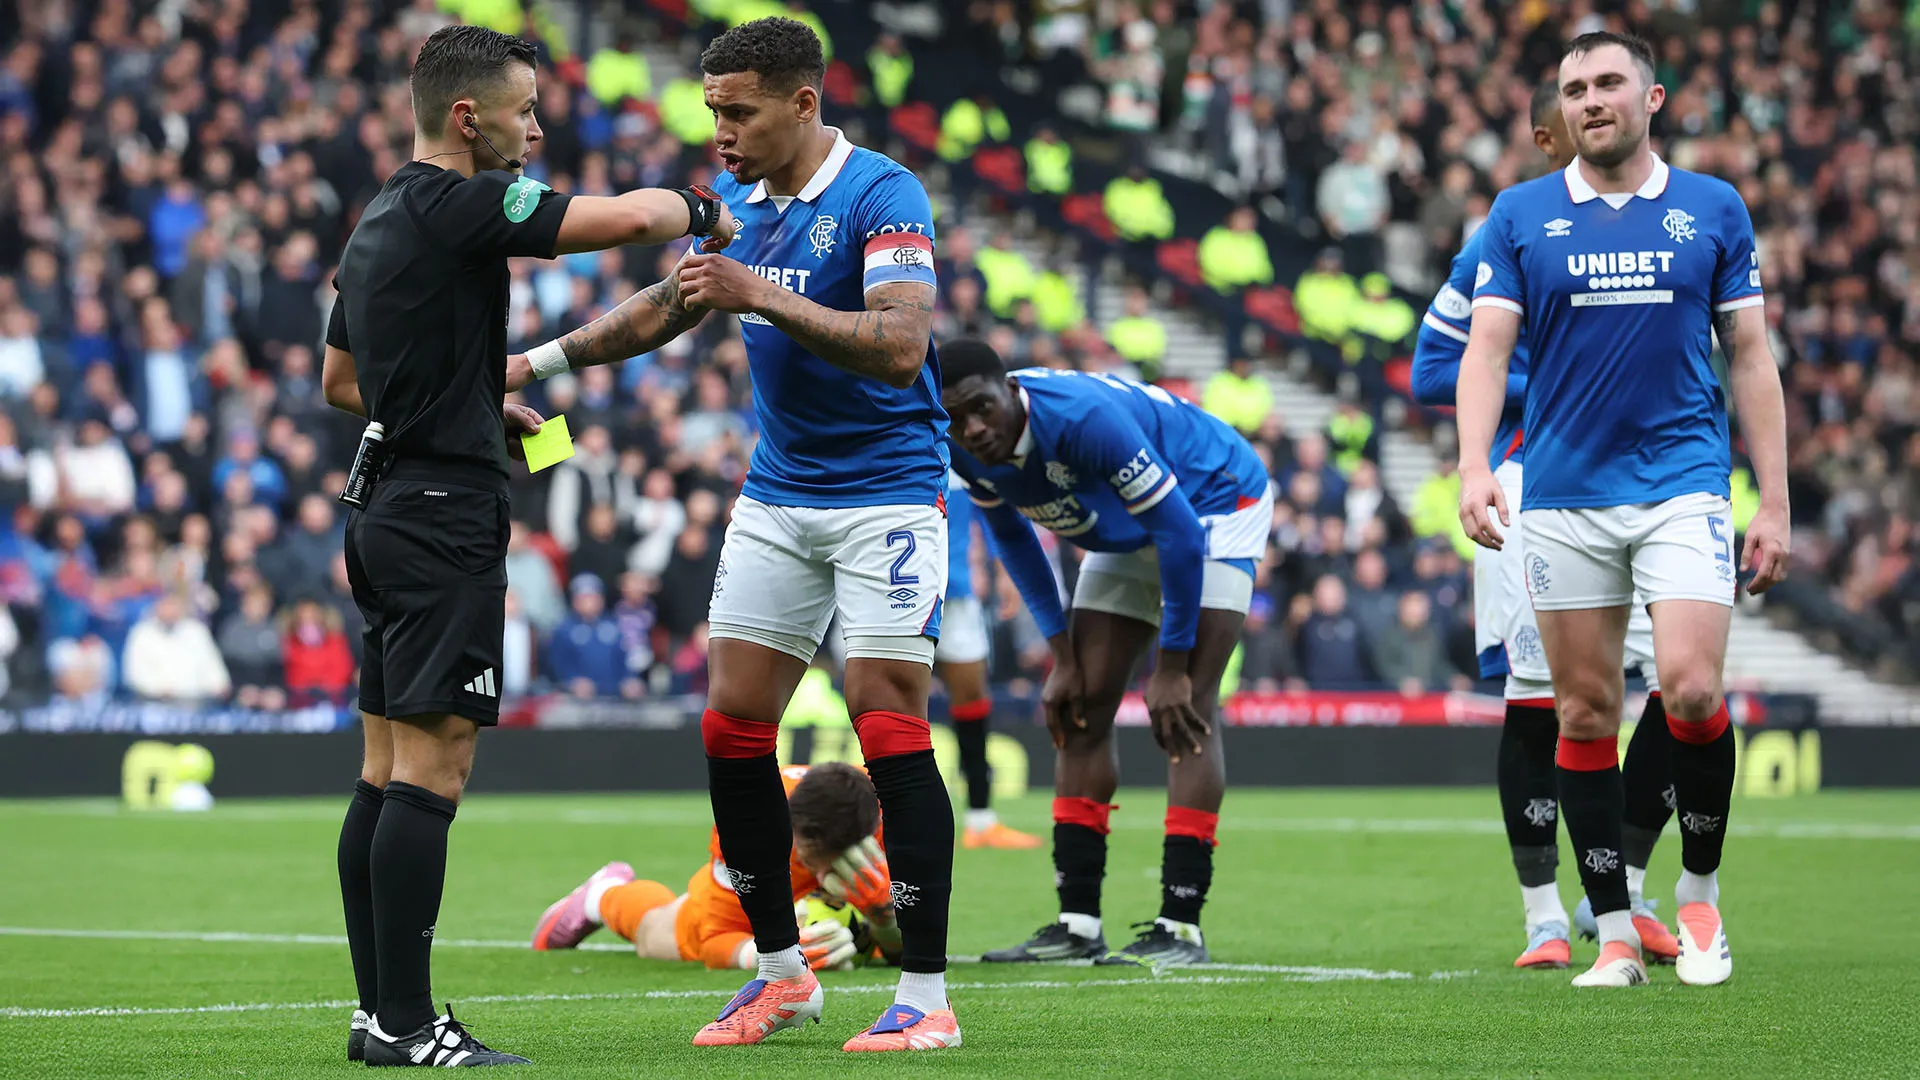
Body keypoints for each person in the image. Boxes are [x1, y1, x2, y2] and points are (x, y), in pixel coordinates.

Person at [504, 17, 960, 1053]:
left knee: (887, 726)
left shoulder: (883, 195)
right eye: (712, 110)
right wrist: (532, 367)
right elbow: (671, 303)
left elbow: (899, 347)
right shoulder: (738, 202)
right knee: (731, 730)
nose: (720, 131)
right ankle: (781, 973)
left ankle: (927, 1000)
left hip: (887, 495)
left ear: (804, 103)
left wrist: (757, 291)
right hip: (778, 495)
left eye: (739, 111)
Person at [321, 24, 735, 1067]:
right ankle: (412, 1029)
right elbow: (633, 216)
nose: (540, 128)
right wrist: (696, 206)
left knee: (382, 768)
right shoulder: (460, 202)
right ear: (469, 117)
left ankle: (382, 1018)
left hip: (383, 505)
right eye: (526, 110)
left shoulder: (376, 219)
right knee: (434, 767)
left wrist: (457, 400)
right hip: (440, 513)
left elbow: (339, 385)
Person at [1456, 32, 1790, 989]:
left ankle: (1701, 894)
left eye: (1608, 83)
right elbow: (1483, 354)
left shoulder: (1712, 207)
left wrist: (1773, 501)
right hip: (1562, 496)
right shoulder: (1518, 215)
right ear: (1557, 113)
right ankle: (1610, 933)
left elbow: (1752, 357)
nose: (1589, 100)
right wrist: (1476, 465)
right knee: (1587, 709)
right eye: (1573, 89)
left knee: (1687, 689)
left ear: (1653, 95)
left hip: (1684, 482)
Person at [1409, 79, 1682, 972]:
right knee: (1540, 704)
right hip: (1539, 484)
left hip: (1657, 484)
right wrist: (1561, 394)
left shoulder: (1669, 225)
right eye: (1574, 109)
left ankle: (1628, 888)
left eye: (1608, 99)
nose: (1594, 119)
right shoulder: (1508, 234)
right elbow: (1430, 369)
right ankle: (1543, 917)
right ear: (1544, 134)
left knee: (1679, 694)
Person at [940, 339, 1272, 967]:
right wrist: (1062, 654)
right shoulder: (959, 443)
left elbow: (1177, 533)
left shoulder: (1081, 419)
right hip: (1126, 523)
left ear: (1011, 388)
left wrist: (1170, 667)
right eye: (955, 418)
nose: (973, 429)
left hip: (1214, 503)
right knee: (1082, 704)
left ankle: (1180, 927)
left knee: (1187, 710)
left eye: (982, 408)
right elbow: (1014, 542)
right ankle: (1077, 923)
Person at [530, 762, 903, 971]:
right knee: (658, 936)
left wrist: (884, 914)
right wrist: (765, 954)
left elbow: (909, 951)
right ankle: (603, 895)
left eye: (826, 859)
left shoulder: (898, 818)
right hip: (757, 889)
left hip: (840, 911)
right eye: (808, 854)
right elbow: (717, 938)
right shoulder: (751, 825)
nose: (816, 868)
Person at [939, 468, 1042, 850]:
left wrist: (1004, 572)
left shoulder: (960, 453)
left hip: (956, 592)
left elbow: (994, 508)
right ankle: (875, 821)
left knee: (971, 699)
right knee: (887, 700)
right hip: (889, 588)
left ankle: (980, 820)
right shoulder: (888, 433)